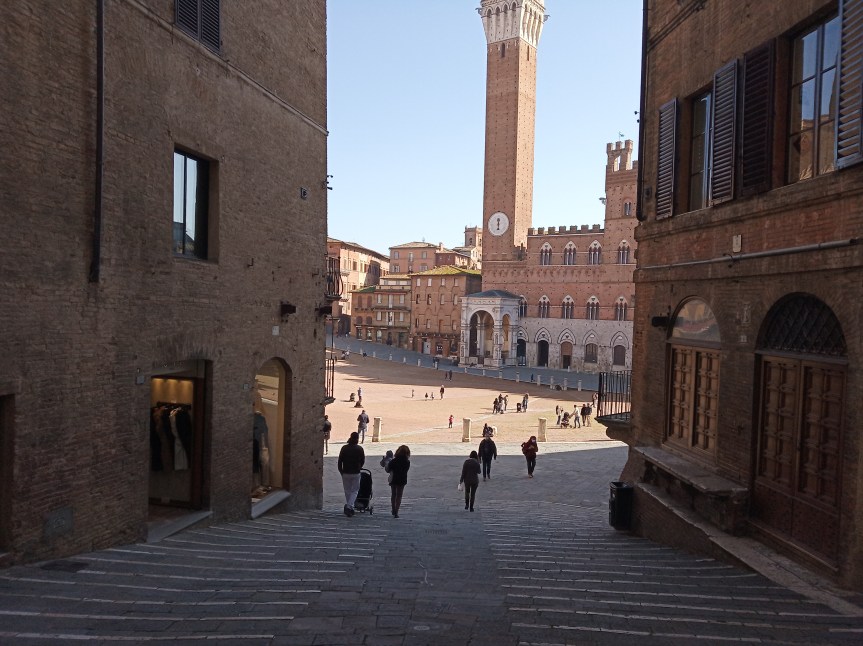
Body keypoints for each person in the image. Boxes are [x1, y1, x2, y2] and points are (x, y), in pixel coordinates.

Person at [337, 432, 365, 516]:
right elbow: (363, 460)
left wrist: (341, 471)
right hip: (356, 472)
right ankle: (349, 506)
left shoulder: (344, 448)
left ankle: (350, 506)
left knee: (347, 490)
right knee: (355, 490)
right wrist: (359, 467)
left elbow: (340, 461)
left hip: (345, 472)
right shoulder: (359, 448)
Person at [387, 445, 411, 517]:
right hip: (402, 479)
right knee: (399, 495)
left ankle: (393, 508)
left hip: (394, 478)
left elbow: (388, 470)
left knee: (393, 494)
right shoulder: (407, 462)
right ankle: (396, 511)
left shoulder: (393, 461)